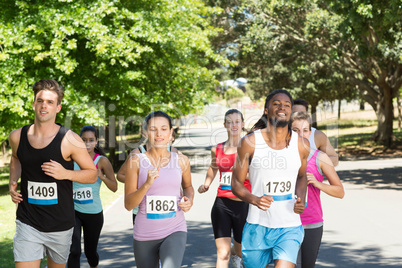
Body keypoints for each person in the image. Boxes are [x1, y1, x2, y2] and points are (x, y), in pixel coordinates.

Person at [8, 79, 97, 268]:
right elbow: (15, 158)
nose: (44, 106)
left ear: (58, 108)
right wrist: (12, 181)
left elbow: (92, 174)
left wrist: (66, 173)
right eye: (40, 100)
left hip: (60, 225)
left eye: (50, 102)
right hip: (27, 222)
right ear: (33, 104)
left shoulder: (70, 139)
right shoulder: (17, 137)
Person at [231, 89, 309, 268]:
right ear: (266, 110)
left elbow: (302, 176)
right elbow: (235, 183)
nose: (282, 107)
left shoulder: (301, 145)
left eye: (287, 105)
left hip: (289, 225)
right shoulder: (249, 143)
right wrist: (254, 199)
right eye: (276, 104)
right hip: (257, 225)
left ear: (291, 112)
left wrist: (301, 197)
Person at [124, 111, 194, 268]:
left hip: (175, 229)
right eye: (153, 129)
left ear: (170, 133)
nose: (158, 134)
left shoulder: (181, 160)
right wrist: (147, 184)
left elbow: (188, 187)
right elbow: (128, 204)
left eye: (163, 129)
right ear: (145, 132)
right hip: (144, 233)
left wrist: (189, 200)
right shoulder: (135, 161)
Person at [291, 112, 344, 268]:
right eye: (295, 130)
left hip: (311, 223)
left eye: (305, 130)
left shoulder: (320, 157)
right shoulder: (280, 157)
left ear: (310, 132)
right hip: (285, 222)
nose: (301, 134)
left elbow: (340, 191)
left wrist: (317, 183)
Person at [198, 109, 250, 268]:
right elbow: (213, 167)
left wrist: (245, 175)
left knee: (242, 251)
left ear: (242, 124)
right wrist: (207, 183)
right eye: (230, 122)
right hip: (222, 204)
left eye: (237, 122)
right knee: (222, 253)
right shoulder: (217, 149)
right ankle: (231, 253)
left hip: (244, 204)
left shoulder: (251, 148)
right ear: (225, 125)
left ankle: (236, 252)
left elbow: (260, 173)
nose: (233, 125)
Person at [67, 125, 118, 268]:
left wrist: (101, 176)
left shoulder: (101, 161)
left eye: (90, 140)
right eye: (83, 140)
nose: (87, 143)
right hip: (73, 211)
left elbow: (114, 187)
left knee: (90, 252)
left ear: (96, 141)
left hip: (93, 213)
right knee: (74, 250)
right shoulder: (71, 159)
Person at [117, 125, 179, 225]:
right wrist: (140, 181)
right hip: (141, 208)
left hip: (168, 207)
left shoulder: (173, 152)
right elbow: (120, 175)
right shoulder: (136, 154)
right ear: (145, 133)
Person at [292, 99, 338, 166]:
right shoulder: (280, 134)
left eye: (302, 113)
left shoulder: (317, 135)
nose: (298, 116)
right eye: (295, 113)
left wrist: (313, 164)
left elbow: (334, 159)